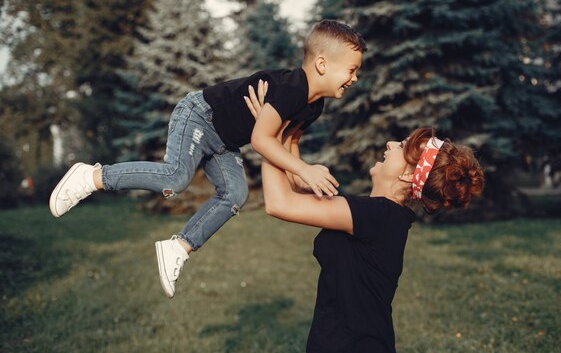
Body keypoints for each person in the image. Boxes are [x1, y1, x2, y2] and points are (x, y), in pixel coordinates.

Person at [48, 19, 367, 298]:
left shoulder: (313, 106)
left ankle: (179, 247)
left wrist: (305, 183)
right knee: (176, 177)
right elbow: (261, 140)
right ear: (322, 64)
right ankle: (92, 177)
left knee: (236, 194)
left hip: (224, 143)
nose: (354, 78)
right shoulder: (291, 87)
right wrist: (303, 170)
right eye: (352, 70)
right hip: (201, 115)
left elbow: (288, 145)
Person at [249, 88, 485, 353]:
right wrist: (285, 135)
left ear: (409, 175)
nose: (389, 144)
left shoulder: (377, 215)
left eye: (400, 146)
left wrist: (267, 137)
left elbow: (279, 203)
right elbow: (294, 187)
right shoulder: (381, 216)